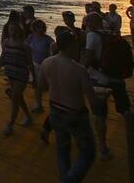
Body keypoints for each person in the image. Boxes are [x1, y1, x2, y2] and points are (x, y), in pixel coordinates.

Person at [39, 30, 98, 183]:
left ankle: (64, 177)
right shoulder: (79, 70)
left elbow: (42, 87)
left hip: (55, 110)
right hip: (74, 113)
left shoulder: (47, 63)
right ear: (71, 45)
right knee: (88, 152)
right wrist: (100, 102)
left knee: (63, 149)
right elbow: (92, 99)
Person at [80, 13, 131, 161]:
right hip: (117, 78)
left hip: (99, 80)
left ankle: (103, 148)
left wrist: (79, 71)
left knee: (100, 115)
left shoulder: (92, 36)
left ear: (90, 23)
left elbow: (88, 57)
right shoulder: (112, 34)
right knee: (126, 111)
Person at [0, 23, 35, 136]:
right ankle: (28, 116)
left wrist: (35, 78)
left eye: (14, 29)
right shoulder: (6, 42)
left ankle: (10, 124)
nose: (11, 31)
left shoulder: (25, 45)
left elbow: (30, 63)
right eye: (10, 29)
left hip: (21, 74)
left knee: (15, 96)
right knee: (18, 97)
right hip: (10, 72)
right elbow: (3, 56)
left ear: (19, 31)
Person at [28, 20, 53, 113]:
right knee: (36, 86)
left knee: (44, 87)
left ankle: (42, 103)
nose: (41, 29)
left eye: (42, 27)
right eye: (38, 27)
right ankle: (38, 104)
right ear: (34, 28)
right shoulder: (31, 37)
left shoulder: (48, 40)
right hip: (34, 64)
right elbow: (27, 49)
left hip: (44, 65)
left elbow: (52, 52)